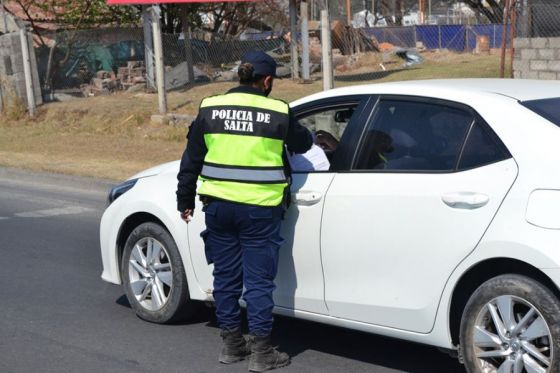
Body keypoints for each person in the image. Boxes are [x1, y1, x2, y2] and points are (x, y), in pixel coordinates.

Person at [176, 51, 312, 372]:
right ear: (266, 81)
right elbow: (304, 143)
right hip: (259, 210)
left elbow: (191, 159)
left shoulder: (209, 107)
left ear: (240, 75)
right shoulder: (278, 110)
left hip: (218, 208)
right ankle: (262, 353)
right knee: (259, 282)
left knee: (225, 278)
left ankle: (232, 345)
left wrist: (185, 200)